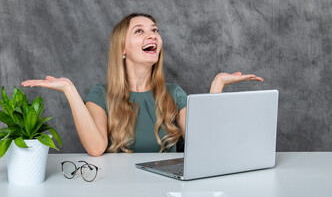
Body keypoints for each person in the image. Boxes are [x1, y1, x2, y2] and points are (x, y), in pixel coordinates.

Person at [21, 13, 264, 157]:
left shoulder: (174, 93)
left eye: (155, 30)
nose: (152, 35)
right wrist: (69, 90)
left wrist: (217, 86)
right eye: (139, 31)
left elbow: (205, 148)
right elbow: (96, 149)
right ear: (123, 49)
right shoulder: (100, 94)